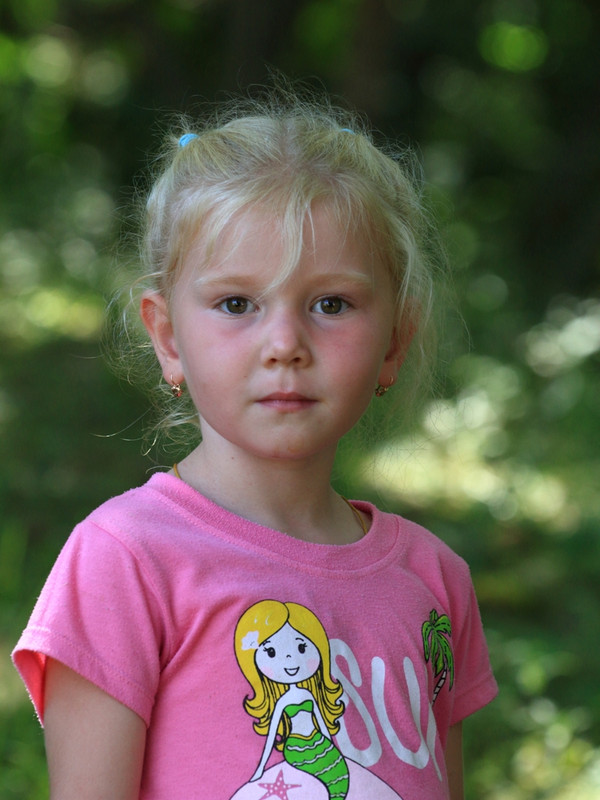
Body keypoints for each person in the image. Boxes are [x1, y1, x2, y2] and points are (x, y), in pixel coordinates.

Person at [12, 86, 497, 800]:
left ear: (395, 340)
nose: (284, 344)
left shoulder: (434, 580)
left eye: (331, 304)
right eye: (237, 304)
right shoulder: (126, 560)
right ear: (168, 338)